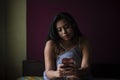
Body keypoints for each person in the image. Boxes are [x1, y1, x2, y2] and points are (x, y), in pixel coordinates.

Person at [43, 12, 92, 80]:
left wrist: (76, 72)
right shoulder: (51, 44)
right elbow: (48, 72)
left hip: (78, 76)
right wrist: (57, 73)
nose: (64, 32)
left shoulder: (83, 41)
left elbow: (86, 68)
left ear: (73, 25)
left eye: (67, 27)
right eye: (59, 30)